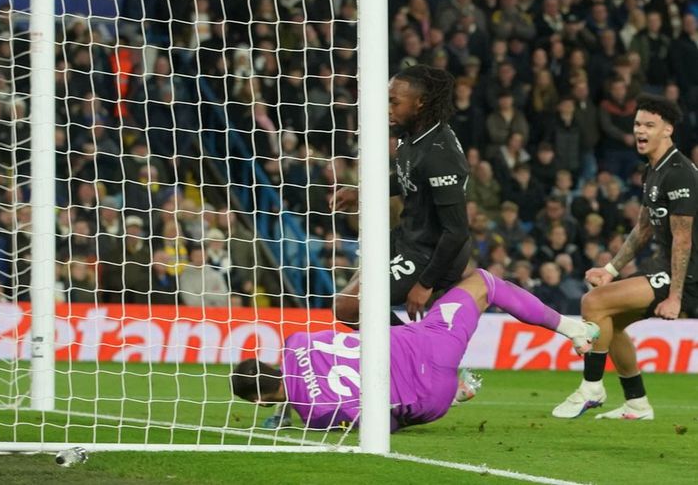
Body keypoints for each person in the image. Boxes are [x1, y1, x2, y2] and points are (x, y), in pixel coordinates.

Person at [231, 268, 599, 432]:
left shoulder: (315, 415)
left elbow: (384, 423)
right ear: (269, 361)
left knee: (396, 411)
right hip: (426, 340)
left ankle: (454, 392)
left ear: (262, 402)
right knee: (484, 282)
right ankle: (572, 329)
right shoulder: (296, 343)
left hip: (430, 398)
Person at [553, 95, 697, 421]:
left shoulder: (680, 173)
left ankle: (592, 387)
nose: (640, 131)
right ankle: (636, 403)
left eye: (649, 125)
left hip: (688, 274)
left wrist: (675, 296)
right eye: (637, 125)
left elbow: (684, 240)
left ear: (668, 130)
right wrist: (610, 268)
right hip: (664, 267)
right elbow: (643, 228)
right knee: (611, 324)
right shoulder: (654, 170)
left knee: (594, 304)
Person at [331, 65, 472, 325]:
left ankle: (416, 357)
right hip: (406, 237)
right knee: (348, 302)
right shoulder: (412, 136)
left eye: (394, 102)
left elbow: (457, 231)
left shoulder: (440, 155)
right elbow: (408, 178)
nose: (387, 108)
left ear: (420, 103)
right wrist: (361, 193)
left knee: (349, 307)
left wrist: (424, 283)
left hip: (429, 253)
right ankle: (416, 356)